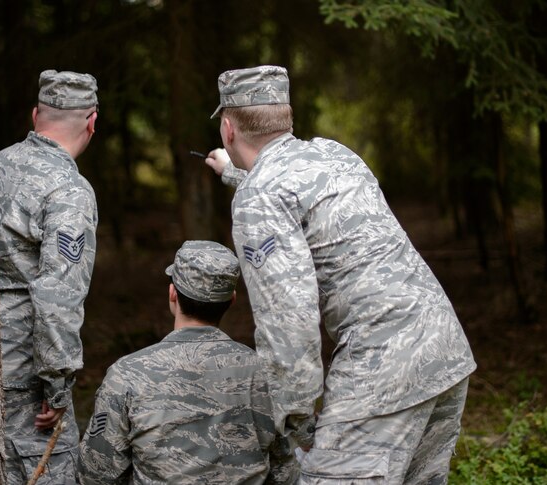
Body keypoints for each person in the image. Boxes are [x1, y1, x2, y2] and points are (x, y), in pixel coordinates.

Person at [203, 65, 477, 483]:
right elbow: (300, 193)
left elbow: (287, 317)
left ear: (227, 128)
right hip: (443, 347)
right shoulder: (335, 154)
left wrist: (296, 414)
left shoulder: (261, 197)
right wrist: (235, 175)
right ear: (285, 115)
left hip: (383, 365)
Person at [77, 240, 300, 484]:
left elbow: (95, 473)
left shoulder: (128, 374)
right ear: (232, 300)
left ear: (172, 293)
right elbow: (284, 470)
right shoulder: (265, 373)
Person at [0, 69, 99, 485]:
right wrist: (58, 384)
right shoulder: (68, 190)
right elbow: (57, 294)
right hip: (26, 374)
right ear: (92, 122)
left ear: (36, 115)